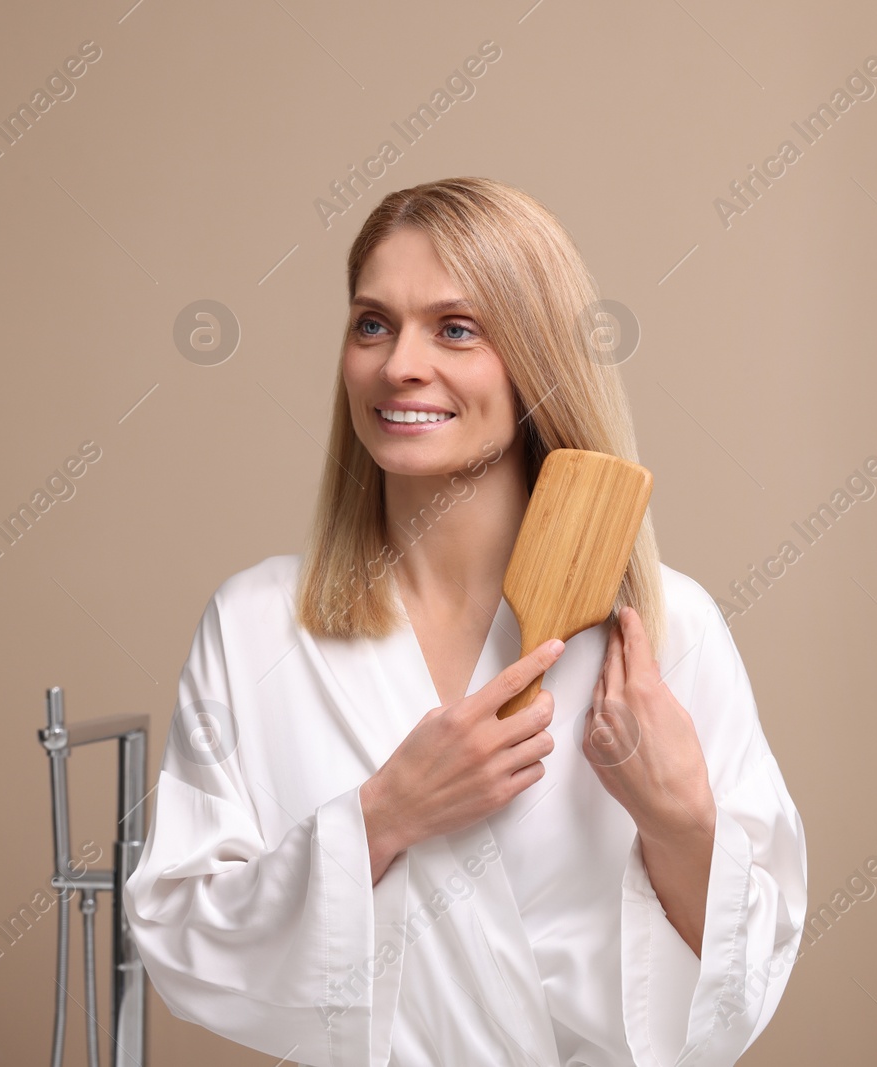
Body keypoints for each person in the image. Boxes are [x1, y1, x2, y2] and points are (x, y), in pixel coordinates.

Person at [122, 176, 808, 1066]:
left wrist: (680, 822)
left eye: (456, 328)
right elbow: (180, 936)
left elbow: (744, 982)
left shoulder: (668, 634)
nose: (400, 363)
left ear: (535, 356)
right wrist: (383, 816)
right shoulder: (256, 624)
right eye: (374, 323)